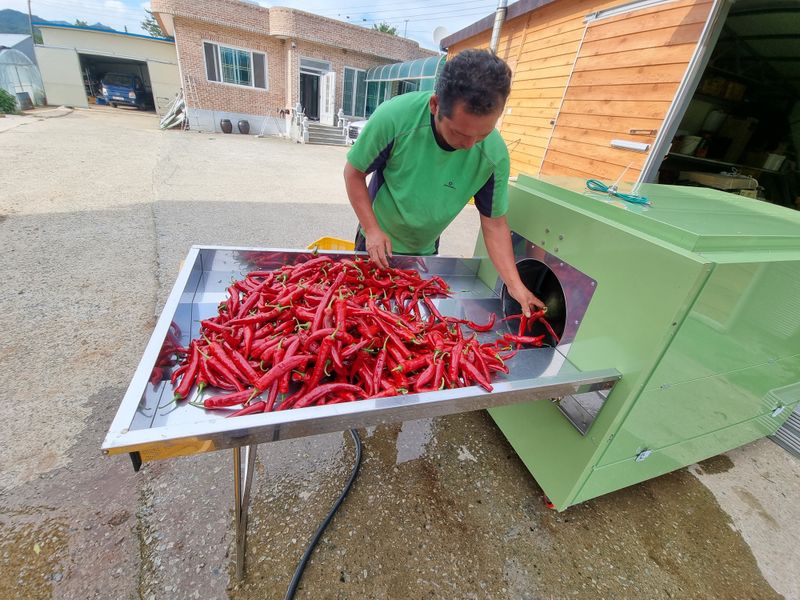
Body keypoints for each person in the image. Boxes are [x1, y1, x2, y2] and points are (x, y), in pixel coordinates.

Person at [343, 48, 544, 316]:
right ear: (435, 105)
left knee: (407, 318)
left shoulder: (494, 156)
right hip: (376, 238)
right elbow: (353, 173)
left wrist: (515, 284)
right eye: (459, 132)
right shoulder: (395, 117)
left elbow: (495, 224)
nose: (469, 145)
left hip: (426, 248)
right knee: (364, 314)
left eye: (483, 134)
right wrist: (372, 230)